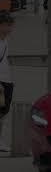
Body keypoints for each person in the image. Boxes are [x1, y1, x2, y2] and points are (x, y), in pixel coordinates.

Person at [0, 11, 14, 151]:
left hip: (7, 80)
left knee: (3, 113)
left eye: (11, 25)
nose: (9, 29)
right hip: (1, 83)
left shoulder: (5, 41)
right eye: (7, 25)